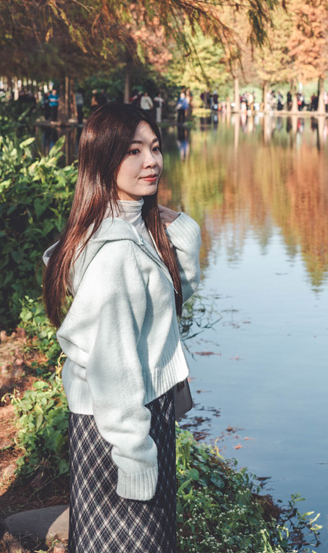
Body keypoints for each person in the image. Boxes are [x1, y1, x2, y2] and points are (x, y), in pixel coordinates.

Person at [41, 103, 202, 553]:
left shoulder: (131, 226)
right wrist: (134, 454)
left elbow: (170, 308)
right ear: (104, 160)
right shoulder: (115, 253)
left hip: (134, 412)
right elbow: (113, 365)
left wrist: (182, 233)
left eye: (154, 148)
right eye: (133, 151)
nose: (150, 161)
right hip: (120, 424)